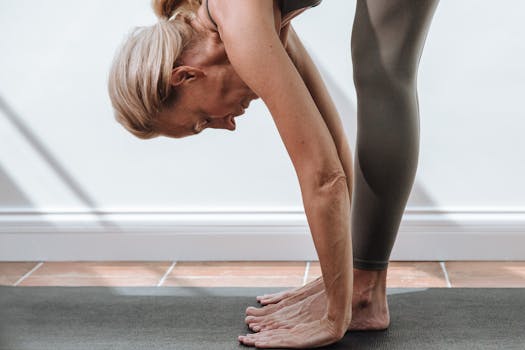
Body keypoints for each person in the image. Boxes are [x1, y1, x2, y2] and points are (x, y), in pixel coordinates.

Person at [107, 0, 439, 348]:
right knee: (377, 68)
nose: (228, 125)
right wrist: (338, 283)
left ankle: (365, 295)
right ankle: (363, 289)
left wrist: (333, 319)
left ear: (186, 76)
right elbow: (332, 150)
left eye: (203, 120)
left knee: (381, 71)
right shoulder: (242, 16)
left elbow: (325, 180)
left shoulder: (239, 21)